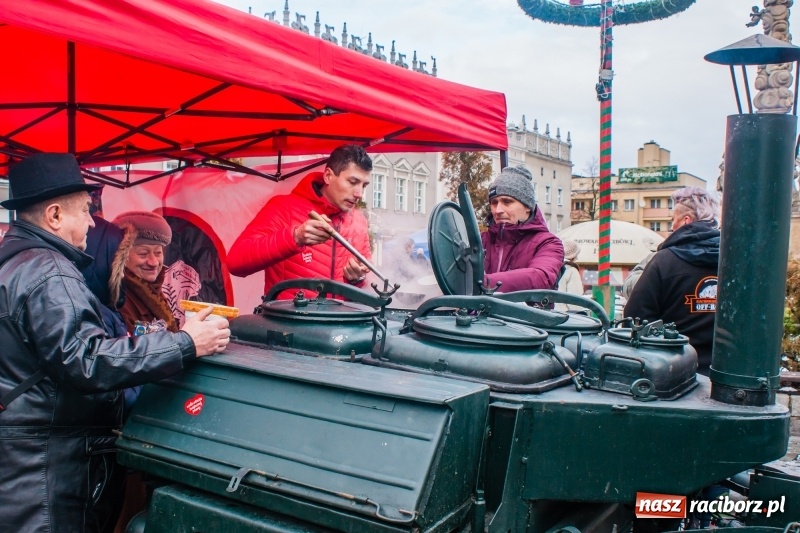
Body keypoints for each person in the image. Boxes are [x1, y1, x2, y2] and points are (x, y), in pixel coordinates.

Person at [0, 153, 231, 533]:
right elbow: (86, 360)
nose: (92, 222)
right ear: (55, 215)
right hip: (46, 467)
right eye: (85, 211)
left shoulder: (13, 260)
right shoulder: (49, 270)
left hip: (27, 457)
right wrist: (185, 343)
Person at [227, 144, 373, 298]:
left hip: (338, 314)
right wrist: (295, 237)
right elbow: (235, 263)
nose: (359, 193)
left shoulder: (359, 221)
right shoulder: (284, 208)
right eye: (352, 182)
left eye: (364, 185)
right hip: (285, 313)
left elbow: (367, 281)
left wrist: (358, 279)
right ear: (328, 176)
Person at [624, 186, 721, 374]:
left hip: (673, 371)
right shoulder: (734, 261)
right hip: (725, 372)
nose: (671, 227)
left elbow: (636, 318)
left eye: (672, 220)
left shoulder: (663, 261)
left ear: (686, 221)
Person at [481, 165, 564, 292]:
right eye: (494, 203)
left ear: (528, 206)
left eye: (507, 202)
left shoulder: (548, 243)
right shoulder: (480, 241)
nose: (498, 210)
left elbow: (540, 277)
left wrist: (483, 283)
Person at [111, 211, 180, 334]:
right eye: (143, 253)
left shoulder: (154, 290)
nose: (154, 262)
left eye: (158, 253)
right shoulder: (117, 299)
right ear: (122, 256)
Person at [556, 240, 584, 311]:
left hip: (546, 313)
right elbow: (575, 300)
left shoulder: (552, 267)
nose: (577, 258)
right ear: (573, 256)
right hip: (563, 315)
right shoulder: (571, 270)